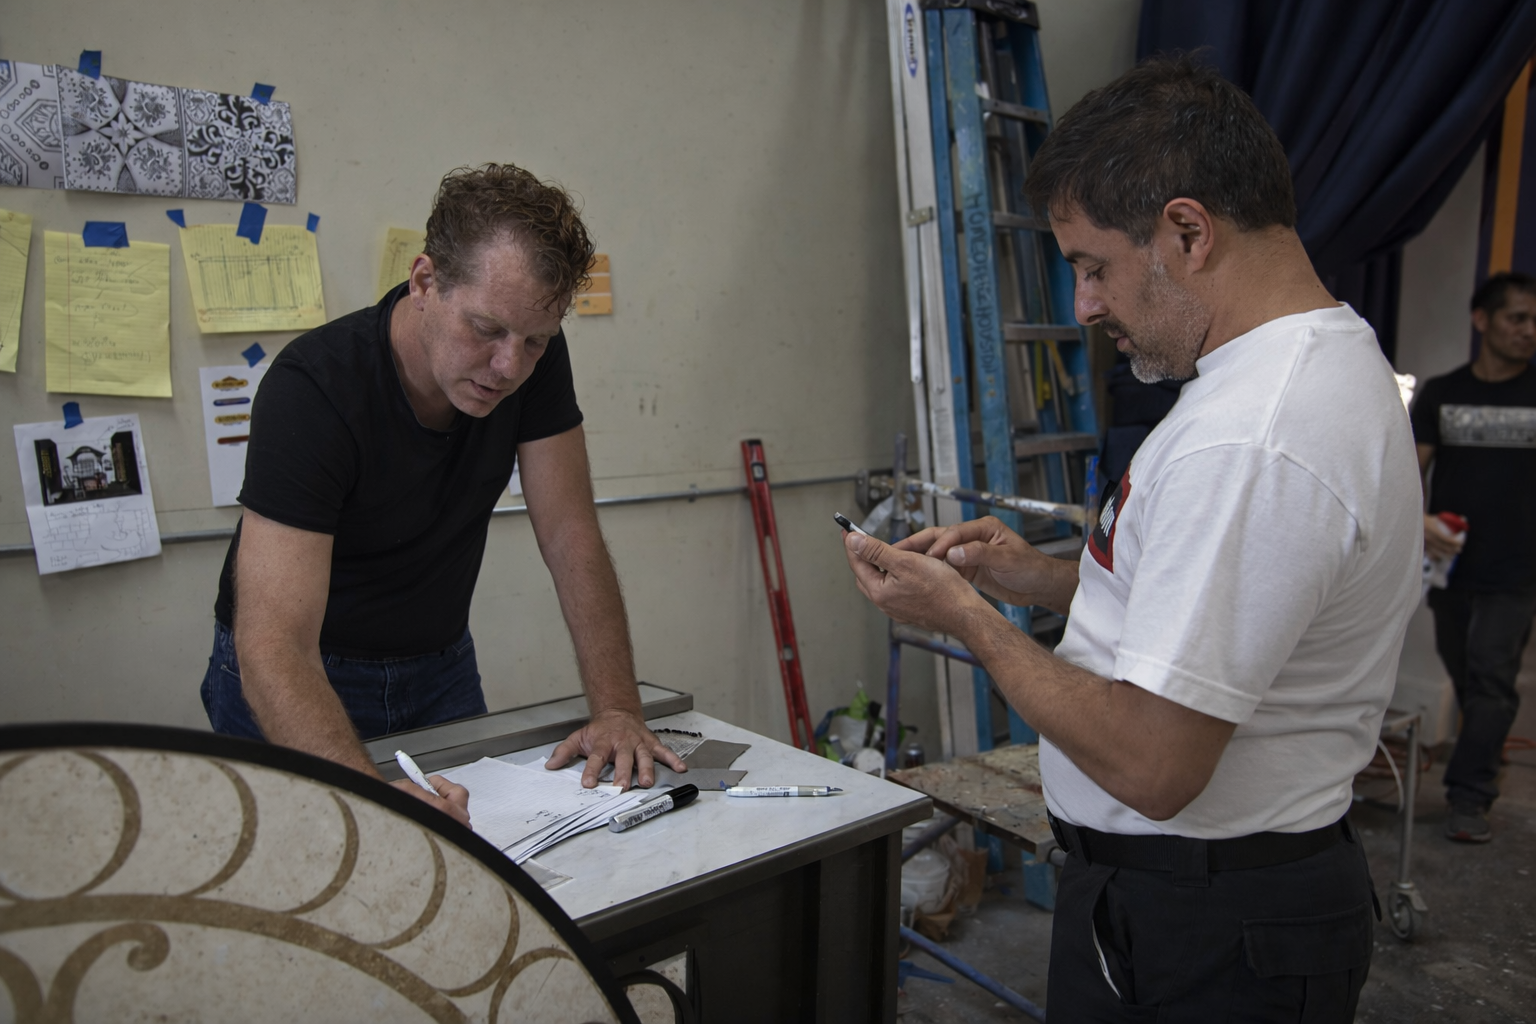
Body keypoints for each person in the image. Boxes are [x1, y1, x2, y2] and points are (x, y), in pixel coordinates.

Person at [843, 58, 1420, 1020]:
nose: (1084, 306)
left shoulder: (1252, 438)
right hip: (1207, 901)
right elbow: (1231, 614)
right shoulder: (1312, 364)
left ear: (1188, 231)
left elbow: (1154, 765)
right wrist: (1042, 580)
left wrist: (970, 619)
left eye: (1093, 265)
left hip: (1205, 924)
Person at [201, 164, 685, 825]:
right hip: (303, 672)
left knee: (463, 867)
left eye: (534, 341)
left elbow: (570, 535)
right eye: (486, 330)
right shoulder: (313, 390)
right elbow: (273, 645)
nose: (509, 367)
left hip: (438, 666)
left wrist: (618, 710)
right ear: (425, 281)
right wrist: (370, 794)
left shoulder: (526, 355)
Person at [1410, 271, 1536, 843]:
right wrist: (1421, 518)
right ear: (1482, 320)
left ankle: (1469, 796)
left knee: (1492, 677)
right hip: (1452, 570)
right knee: (1467, 674)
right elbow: (1409, 476)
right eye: (1517, 318)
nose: (1529, 331)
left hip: (1517, 571)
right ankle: (1483, 759)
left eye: (1534, 321)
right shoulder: (1441, 392)